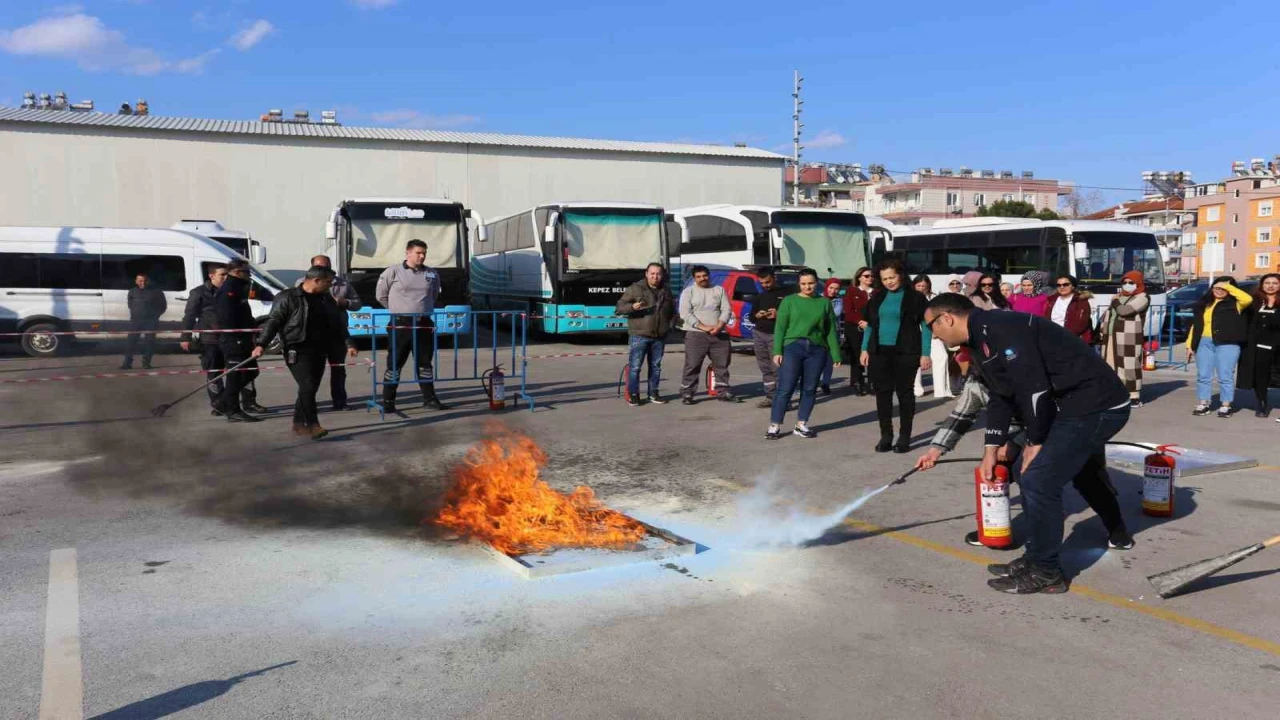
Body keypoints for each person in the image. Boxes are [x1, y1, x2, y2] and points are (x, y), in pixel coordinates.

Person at [924, 293, 1132, 594]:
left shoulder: (1000, 327)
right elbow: (1001, 395)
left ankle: (1048, 572)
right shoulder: (979, 339)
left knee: (1039, 480)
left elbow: (1034, 390)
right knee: (1031, 477)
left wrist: (1034, 442)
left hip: (1098, 405)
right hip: (1070, 407)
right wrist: (990, 451)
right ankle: (1036, 558)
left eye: (932, 326)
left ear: (946, 318)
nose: (934, 334)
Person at [914, 364, 1134, 551]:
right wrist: (936, 449)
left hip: (1067, 425)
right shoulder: (976, 382)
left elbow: (1049, 413)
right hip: (1020, 434)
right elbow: (960, 416)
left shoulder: (1027, 373)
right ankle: (994, 528)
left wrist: (1013, 443)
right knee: (995, 474)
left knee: (1087, 478)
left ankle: (1117, 529)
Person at [255, 266, 357, 439]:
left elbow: (338, 323)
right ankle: (312, 424)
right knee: (308, 385)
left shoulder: (326, 299)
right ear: (316, 280)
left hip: (320, 348)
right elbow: (274, 321)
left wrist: (349, 343)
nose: (330, 286)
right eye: (327, 282)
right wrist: (261, 344)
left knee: (309, 388)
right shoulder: (288, 297)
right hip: (297, 347)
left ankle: (298, 423)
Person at [861, 259, 932, 454]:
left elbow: (926, 327)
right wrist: (864, 349)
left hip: (906, 351)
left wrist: (926, 353)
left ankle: (904, 437)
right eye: (884, 279)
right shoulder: (877, 297)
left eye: (892, 277)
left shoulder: (916, 297)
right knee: (882, 394)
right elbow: (870, 324)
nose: (889, 282)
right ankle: (886, 436)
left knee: (905, 394)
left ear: (901, 275)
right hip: (879, 352)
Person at [180, 265, 267, 416]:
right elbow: (189, 316)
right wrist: (186, 337)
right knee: (215, 373)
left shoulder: (234, 291)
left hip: (233, 339)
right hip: (211, 340)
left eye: (227, 275)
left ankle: (248, 402)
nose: (226, 278)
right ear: (212, 276)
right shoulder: (199, 293)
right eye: (222, 275)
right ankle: (219, 404)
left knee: (245, 372)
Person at [375, 239, 450, 412]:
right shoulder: (393, 272)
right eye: (418, 253)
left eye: (424, 253)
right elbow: (381, 296)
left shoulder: (431, 274)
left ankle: (430, 399)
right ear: (408, 253)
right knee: (395, 363)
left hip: (423, 323)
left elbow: (434, 295)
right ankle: (388, 402)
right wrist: (398, 309)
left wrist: (420, 310)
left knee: (425, 363)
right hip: (401, 324)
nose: (422, 256)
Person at [767, 269, 842, 439]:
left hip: (817, 349)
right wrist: (777, 350)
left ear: (817, 283)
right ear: (799, 284)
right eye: (803, 284)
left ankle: (801, 425)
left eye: (811, 283)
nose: (807, 287)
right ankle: (775, 425)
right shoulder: (789, 301)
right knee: (785, 388)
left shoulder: (824, 302)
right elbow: (780, 327)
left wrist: (836, 354)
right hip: (793, 347)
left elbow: (830, 330)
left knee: (809, 389)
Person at [298, 255, 363, 411]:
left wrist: (343, 302)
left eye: (327, 266)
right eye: (320, 267)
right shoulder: (302, 283)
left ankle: (340, 401)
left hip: (337, 331)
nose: (324, 270)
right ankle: (308, 404)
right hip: (314, 334)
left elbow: (357, 303)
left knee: (338, 369)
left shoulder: (343, 284)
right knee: (311, 372)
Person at [1187, 276, 1253, 417]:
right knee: (1203, 375)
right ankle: (1203, 403)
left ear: (1231, 289)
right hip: (1204, 342)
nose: (1219, 290)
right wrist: (1189, 344)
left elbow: (1248, 299)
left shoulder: (1237, 304)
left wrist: (1227, 286)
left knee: (1225, 375)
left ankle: (1225, 405)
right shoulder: (1204, 304)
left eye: (1224, 288)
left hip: (1227, 343)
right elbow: (1196, 325)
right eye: (1216, 287)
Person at [616, 262, 675, 406]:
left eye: (658, 274)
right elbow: (619, 308)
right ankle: (633, 395)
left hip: (659, 336)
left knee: (656, 366)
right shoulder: (635, 288)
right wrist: (632, 307)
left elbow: (672, 311)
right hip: (639, 335)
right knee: (635, 367)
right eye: (652, 273)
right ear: (646, 274)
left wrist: (670, 326)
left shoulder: (666, 291)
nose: (655, 276)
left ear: (662, 275)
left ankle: (653, 393)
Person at [678, 265, 740, 404]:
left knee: (722, 365)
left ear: (709, 275)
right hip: (695, 334)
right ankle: (687, 393)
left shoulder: (719, 290)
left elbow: (726, 309)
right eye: (699, 277)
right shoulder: (689, 292)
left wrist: (719, 325)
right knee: (692, 365)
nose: (702, 279)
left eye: (704, 276)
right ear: (694, 278)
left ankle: (723, 391)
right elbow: (685, 313)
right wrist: (703, 327)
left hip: (719, 334)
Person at [212, 259, 264, 423]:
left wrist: (252, 327)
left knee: (252, 372)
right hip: (234, 340)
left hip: (244, 338)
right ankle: (233, 410)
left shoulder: (239, 287)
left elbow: (243, 313)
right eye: (246, 272)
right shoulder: (228, 290)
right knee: (236, 375)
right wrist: (238, 337)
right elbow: (227, 319)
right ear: (236, 272)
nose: (249, 276)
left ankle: (222, 403)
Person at [1096, 271, 1150, 407]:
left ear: (1138, 283)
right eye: (1124, 282)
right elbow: (1109, 314)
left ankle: (1134, 396)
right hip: (1111, 337)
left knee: (1130, 366)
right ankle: (1116, 393)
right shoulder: (1119, 297)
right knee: (1111, 365)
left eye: (1131, 283)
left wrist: (1114, 301)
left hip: (1129, 338)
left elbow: (1124, 311)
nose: (1127, 285)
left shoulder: (1143, 297)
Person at [746, 267, 791, 408]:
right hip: (759, 334)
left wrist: (778, 314)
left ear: (774, 278)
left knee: (778, 368)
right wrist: (757, 315)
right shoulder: (759, 297)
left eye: (768, 282)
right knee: (765, 367)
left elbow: (793, 315)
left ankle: (784, 400)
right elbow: (752, 317)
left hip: (776, 335)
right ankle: (770, 396)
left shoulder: (786, 294)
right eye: (762, 283)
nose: (765, 285)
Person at [1238, 273, 1280, 418]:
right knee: (1260, 377)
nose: (1270, 286)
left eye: (1275, 283)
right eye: (1267, 283)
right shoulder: (1254, 302)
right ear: (1261, 285)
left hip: (1277, 345)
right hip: (1259, 346)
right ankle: (1262, 404)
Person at [121, 272, 166, 370]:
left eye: (145, 280)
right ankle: (127, 363)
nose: (143, 283)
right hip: (135, 321)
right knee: (131, 342)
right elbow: (130, 305)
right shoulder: (132, 291)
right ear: (136, 281)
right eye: (140, 281)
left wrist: (155, 316)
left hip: (151, 321)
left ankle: (146, 362)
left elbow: (163, 306)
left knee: (149, 343)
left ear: (148, 281)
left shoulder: (156, 292)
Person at [843, 267, 875, 396]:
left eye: (872, 276)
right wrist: (860, 321)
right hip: (855, 328)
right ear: (859, 277)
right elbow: (848, 311)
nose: (870, 278)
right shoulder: (851, 291)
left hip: (872, 327)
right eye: (866, 276)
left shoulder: (877, 292)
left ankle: (873, 383)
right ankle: (858, 382)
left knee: (873, 355)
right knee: (856, 356)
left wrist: (870, 323)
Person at [1044, 274, 1095, 344]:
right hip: (1053, 339)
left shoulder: (1081, 301)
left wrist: (1065, 337)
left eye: (1065, 284)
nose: (1062, 287)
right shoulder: (1051, 300)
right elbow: (1046, 320)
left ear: (1073, 286)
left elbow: (1081, 323)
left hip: (1074, 340)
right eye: (1059, 285)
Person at [819, 278, 845, 395]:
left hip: (832, 332)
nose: (833, 291)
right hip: (818, 333)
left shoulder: (839, 300)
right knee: (816, 359)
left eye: (836, 289)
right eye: (831, 288)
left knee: (829, 360)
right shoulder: (818, 297)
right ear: (826, 287)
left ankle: (826, 383)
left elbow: (835, 313)